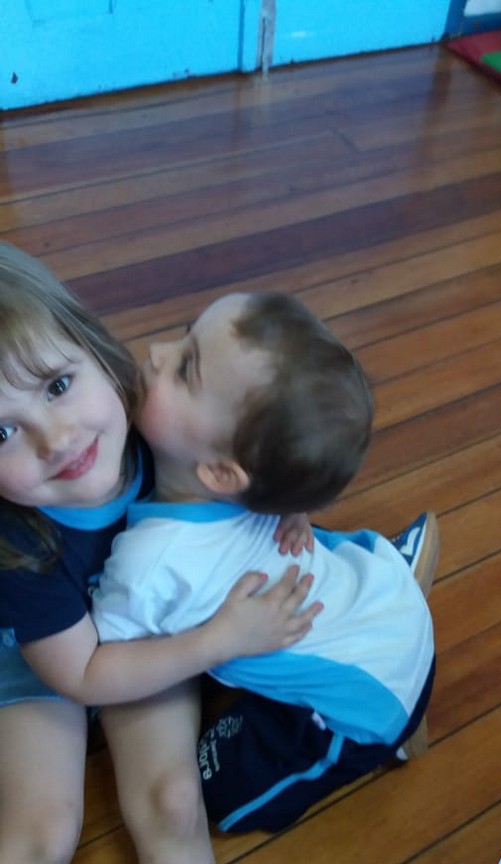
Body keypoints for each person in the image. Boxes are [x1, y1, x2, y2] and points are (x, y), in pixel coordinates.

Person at [0, 244, 321, 864]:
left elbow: (241, 441)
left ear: (94, 349)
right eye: (0, 432)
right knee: (42, 834)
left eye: (58, 385)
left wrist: (281, 499)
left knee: (175, 803)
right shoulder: (18, 546)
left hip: (140, 632)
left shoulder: (152, 417)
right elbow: (82, 674)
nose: (55, 439)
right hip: (48, 662)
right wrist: (218, 641)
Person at [92, 290, 439, 835]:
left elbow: (103, 662)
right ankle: (400, 570)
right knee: (302, 543)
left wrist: (215, 643)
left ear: (221, 473)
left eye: (184, 368)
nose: (157, 352)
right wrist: (293, 506)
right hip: (385, 599)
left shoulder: (149, 566)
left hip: (367, 705)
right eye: (184, 335)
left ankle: (390, 740)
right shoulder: (255, 489)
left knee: (217, 798)